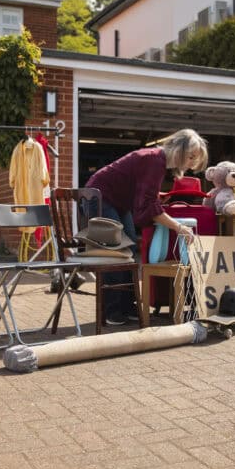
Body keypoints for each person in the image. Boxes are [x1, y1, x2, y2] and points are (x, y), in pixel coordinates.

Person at [84, 128, 209, 325]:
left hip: (116, 200)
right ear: (179, 149)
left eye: (195, 159)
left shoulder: (157, 161)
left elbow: (144, 195)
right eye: (191, 157)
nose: (192, 163)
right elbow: (149, 206)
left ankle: (126, 306)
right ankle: (112, 310)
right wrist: (178, 227)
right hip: (100, 197)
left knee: (130, 248)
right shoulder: (154, 160)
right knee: (116, 252)